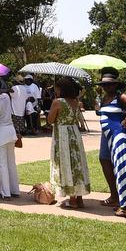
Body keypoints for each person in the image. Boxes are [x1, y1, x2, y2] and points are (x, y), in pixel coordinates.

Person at [96, 70, 126, 217]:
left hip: (119, 136)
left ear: (115, 85)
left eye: (109, 84)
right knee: (106, 161)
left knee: (124, 168)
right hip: (109, 137)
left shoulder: (120, 96)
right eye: (104, 84)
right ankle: (118, 198)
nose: (106, 87)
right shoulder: (105, 98)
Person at [48, 77, 91, 208]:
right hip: (74, 134)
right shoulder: (75, 102)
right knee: (77, 163)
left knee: (66, 163)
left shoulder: (58, 102)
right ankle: (79, 198)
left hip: (62, 135)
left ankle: (72, 200)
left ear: (61, 89)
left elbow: (50, 120)